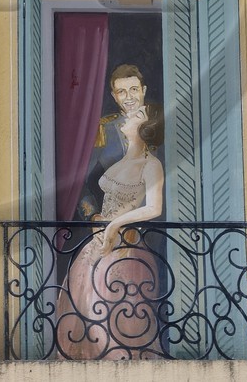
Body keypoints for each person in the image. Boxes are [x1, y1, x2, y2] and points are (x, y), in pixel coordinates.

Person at [60, 102, 166, 360]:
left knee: (113, 322)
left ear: (146, 127)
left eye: (138, 114)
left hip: (123, 250)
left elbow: (154, 207)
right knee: (82, 313)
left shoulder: (150, 165)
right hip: (97, 246)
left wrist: (116, 224)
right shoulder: (121, 161)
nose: (129, 115)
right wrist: (100, 221)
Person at [76, 64, 148, 222]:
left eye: (134, 89)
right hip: (114, 226)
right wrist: (93, 216)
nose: (129, 97)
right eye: (121, 92)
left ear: (143, 90)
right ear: (114, 96)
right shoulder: (104, 131)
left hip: (160, 229)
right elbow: (80, 181)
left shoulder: (163, 127)